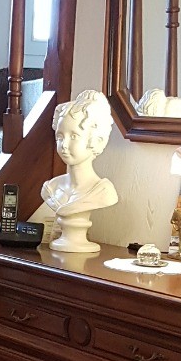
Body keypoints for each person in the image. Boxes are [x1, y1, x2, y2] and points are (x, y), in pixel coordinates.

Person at [41, 90, 118, 251]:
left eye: (74, 136)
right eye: (60, 136)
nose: (64, 145)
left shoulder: (104, 192)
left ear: (96, 141)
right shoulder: (51, 188)